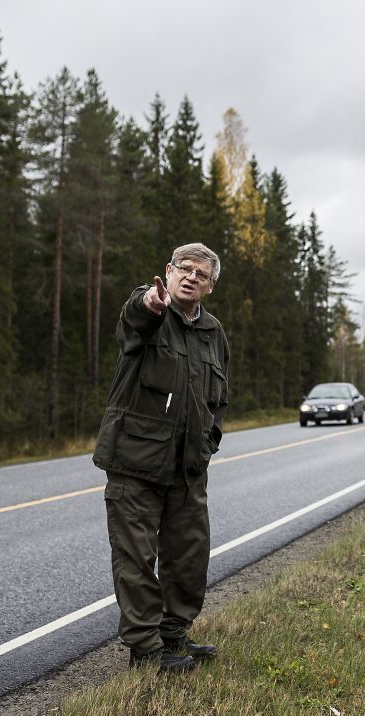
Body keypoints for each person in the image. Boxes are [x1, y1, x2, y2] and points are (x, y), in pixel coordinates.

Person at [93, 243, 230, 672]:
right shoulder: (150, 314)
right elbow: (135, 318)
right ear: (168, 272)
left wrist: (209, 440)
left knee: (190, 556)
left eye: (201, 274)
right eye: (183, 269)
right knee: (135, 560)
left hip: (188, 468)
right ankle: (146, 650)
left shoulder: (213, 332)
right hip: (136, 463)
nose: (190, 277)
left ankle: (173, 636)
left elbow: (218, 398)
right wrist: (149, 303)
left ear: (210, 286)